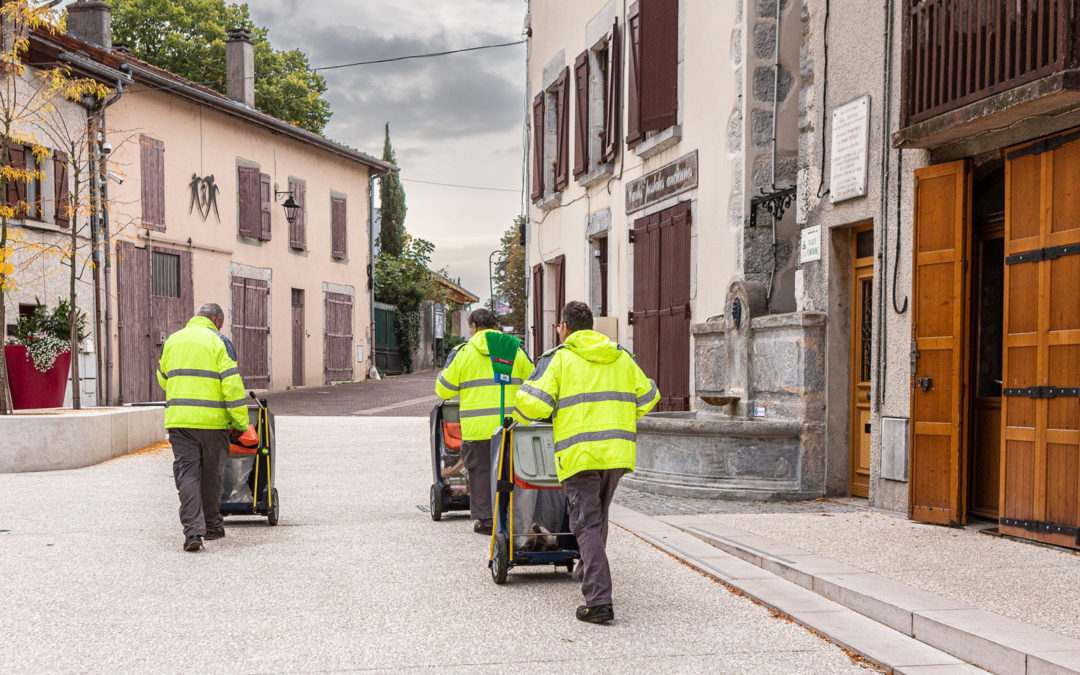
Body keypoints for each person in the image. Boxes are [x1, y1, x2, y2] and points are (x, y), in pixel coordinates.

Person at [514, 301, 659, 623]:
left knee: (586, 521)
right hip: (617, 452)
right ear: (591, 326)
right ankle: (586, 571)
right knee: (598, 515)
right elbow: (649, 397)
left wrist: (518, 403)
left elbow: (534, 404)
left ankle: (598, 600)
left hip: (581, 453)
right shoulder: (621, 356)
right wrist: (621, 417)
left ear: (563, 328)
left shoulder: (561, 359)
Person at [157, 303, 248, 552]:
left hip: (179, 421)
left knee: (187, 475)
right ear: (216, 320)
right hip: (212, 423)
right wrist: (240, 422)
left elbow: (162, 377)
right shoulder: (218, 342)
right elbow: (232, 386)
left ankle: (192, 533)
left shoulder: (172, 341)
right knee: (211, 475)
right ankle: (211, 525)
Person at [435, 308, 533, 535]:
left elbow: (444, 390)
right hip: (510, 426)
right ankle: (511, 516)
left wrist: (443, 373)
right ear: (495, 326)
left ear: (474, 328)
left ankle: (487, 520)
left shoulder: (462, 353)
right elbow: (533, 382)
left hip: (477, 428)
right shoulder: (515, 350)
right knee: (509, 470)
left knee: (479, 471)